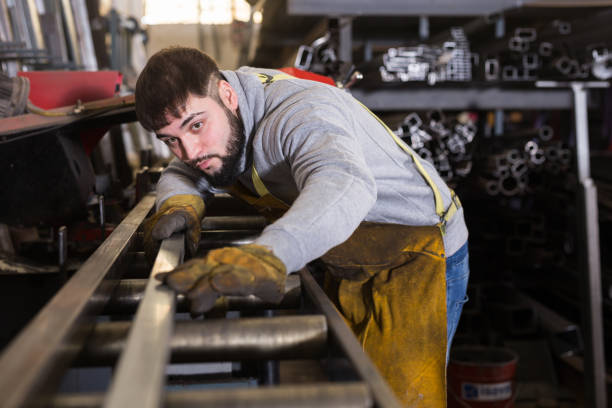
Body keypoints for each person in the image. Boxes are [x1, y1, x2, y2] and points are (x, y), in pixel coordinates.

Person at [135, 46, 469, 407]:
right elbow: (182, 172)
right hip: (347, 252)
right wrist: (179, 205)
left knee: (400, 398)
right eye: (171, 140)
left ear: (227, 95)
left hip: (416, 254)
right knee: (354, 385)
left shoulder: (302, 114)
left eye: (196, 126)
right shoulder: (224, 113)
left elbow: (344, 184)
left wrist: (269, 254)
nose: (190, 150)